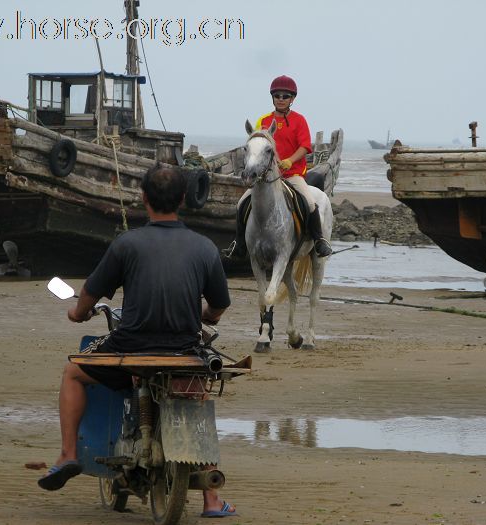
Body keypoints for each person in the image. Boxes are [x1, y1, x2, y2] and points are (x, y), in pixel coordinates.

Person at [37, 165, 236, 518]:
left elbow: (90, 294)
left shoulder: (126, 243)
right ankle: (211, 500)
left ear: (143, 198)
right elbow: (219, 304)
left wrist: (77, 314)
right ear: (184, 199)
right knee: (198, 396)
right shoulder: (204, 247)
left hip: (131, 349)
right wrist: (208, 317)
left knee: (72, 372)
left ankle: (69, 454)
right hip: (183, 350)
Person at [223, 75, 332, 259]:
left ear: (292, 99)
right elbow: (255, 145)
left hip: (292, 174)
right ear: (272, 97)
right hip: (265, 177)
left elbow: (305, 146)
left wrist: (290, 160)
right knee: (242, 203)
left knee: (310, 203)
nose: (281, 99)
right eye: (277, 95)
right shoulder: (263, 120)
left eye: (285, 96)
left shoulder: (299, 120)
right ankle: (239, 243)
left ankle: (319, 240)